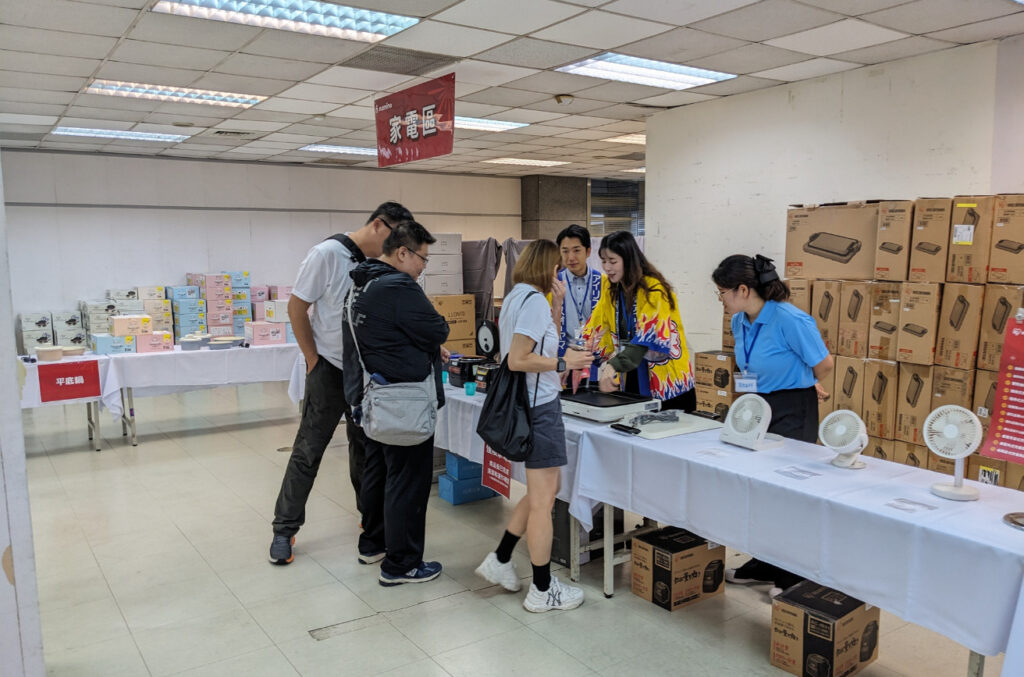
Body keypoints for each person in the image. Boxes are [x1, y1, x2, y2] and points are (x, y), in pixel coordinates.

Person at [269, 202, 413, 565]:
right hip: (330, 369)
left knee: (365, 449)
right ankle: (284, 529)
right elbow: (296, 308)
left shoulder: (382, 263)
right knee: (308, 450)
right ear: (379, 226)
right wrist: (313, 361)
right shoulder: (327, 254)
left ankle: (370, 520)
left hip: (366, 372)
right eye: (395, 237)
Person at [475, 240, 593, 612]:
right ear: (547, 266)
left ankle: (502, 557)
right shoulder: (533, 302)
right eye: (558, 265)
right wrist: (564, 364)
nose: (562, 271)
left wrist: (556, 307)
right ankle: (542, 590)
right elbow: (517, 360)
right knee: (544, 502)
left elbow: (540, 341)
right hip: (539, 409)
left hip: (538, 405)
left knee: (547, 487)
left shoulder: (517, 297)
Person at [712, 253, 833, 598]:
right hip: (756, 405)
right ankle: (764, 562)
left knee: (788, 492)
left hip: (793, 408)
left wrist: (805, 381)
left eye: (722, 292)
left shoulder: (791, 319)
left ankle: (791, 575)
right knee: (760, 488)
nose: (720, 299)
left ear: (743, 289)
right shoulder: (740, 321)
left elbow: (824, 364)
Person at [343, 221, 450, 586]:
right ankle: (401, 564)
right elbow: (438, 330)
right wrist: (432, 328)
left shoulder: (363, 283)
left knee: (382, 473)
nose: (423, 267)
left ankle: (374, 544)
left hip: (376, 394)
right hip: (405, 399)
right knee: (408, 481)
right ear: (403, 253)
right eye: (423, 258)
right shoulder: (400, 286)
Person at [582, 230, 696, 411]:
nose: (607, 267)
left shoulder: (654, 290)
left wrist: (612, 366)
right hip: (631, 375)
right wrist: (576, 357)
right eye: (603, 261)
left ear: (628, 260)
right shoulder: (611, 290)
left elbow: (648, 338)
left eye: (613, 261)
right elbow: (594, 328)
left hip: (667, 385)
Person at [554, 224, 603, 381]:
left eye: (576, 250)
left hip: (596, 360)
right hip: (565, 360)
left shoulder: (603, 282)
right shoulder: (554, 284)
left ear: (588, 251)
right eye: (565, 251)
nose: (571, 257)